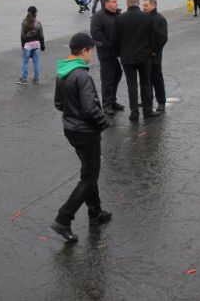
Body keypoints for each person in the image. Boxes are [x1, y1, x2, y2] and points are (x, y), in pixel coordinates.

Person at [50, 33, 111, 242]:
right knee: (89, 177)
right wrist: (103, 122)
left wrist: (72, 113)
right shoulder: (82, 75)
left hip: (71, 129)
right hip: (86, 132)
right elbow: (90, 109)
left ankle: (95, 212)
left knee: (89, 172)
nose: (92, 54)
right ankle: (63, 219)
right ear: (84, 51)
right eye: (91, 50)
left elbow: (59, 104)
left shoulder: (63, 72)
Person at [116, 0, 159, 122]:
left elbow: (116, 39)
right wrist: (152, 50)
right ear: (138, 2)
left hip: (127, 57)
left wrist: (121, 52)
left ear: (127, 3)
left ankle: (134, 113)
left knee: (131, 85)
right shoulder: (147, 17)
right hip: (144, 56)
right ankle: (147, 111)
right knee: (145, 83)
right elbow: (155, 36)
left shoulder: (120, 18)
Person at [91, 0, 124, 115]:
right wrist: (109, 45)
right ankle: (107, 104)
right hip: (106, 53)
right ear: (106, 3)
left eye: (116, 1)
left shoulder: (117, 15)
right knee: (107, 79)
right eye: (114, 1)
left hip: (116, 53)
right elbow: (96, 34)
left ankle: (112, 100)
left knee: (117, 75)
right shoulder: (98, 16)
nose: (117, 3)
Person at [143, 0, 168, 112]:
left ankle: (161, 101)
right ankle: (147, 100)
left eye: (146, 5)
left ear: (154, 5)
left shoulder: (160, 19)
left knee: (157, 79)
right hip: (144, 54)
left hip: (154, 55)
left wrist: (155, 51)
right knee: (145, 80)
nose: (144, 8)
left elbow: (163, 38)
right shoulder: (143, 17)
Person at [17, 6, 45, 85]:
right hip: (36, 44)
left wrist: (23, 46)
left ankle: (24, 79)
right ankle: (36, 79)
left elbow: (22, 36)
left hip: (28, 44)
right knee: (36, 62)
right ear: (35, 13)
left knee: (25, 62)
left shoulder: (24, 22)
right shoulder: (38, 22)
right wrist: (42, 45)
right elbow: (41, 35)